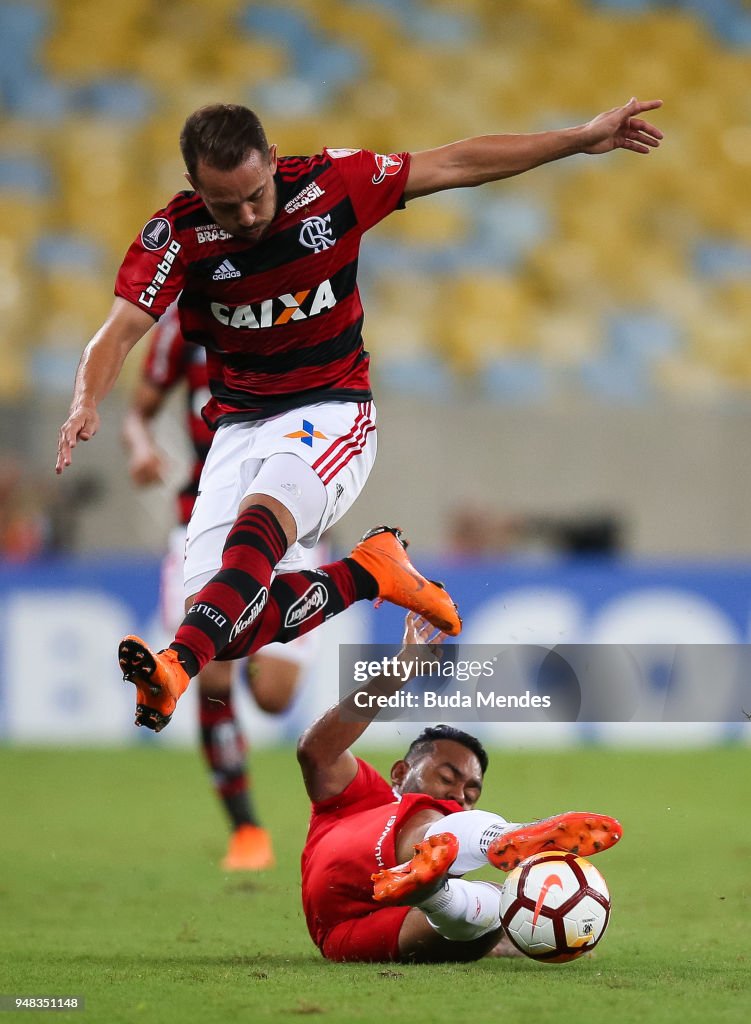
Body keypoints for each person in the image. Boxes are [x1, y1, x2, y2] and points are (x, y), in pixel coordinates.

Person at [55, 98, 663, 732]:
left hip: (332, 408)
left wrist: (577, 138)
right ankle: (369, 570)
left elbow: (455, 162)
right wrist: (86, 398)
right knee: (225, 626)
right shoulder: (177, 234)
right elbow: (118, 332)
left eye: (256, 195)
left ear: (271, 161)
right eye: (224, 205)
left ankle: (175, 666)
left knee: (256, 532)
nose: (247, 216)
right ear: (193, 189)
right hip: (238, 427)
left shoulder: (332, 185)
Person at [122, 302, 326, 870]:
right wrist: (141, 446)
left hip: (285, 518)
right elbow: (139, 413)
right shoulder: (179, 332)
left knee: (274, 695)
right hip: (202, 522)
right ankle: (247, 831)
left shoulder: (295, 309)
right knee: (209, 672)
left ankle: (253, 635)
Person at [297, 613, 622, 963]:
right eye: (447, 777)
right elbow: (315, 751)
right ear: (400, 772)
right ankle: (503, 836)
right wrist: (400, 670)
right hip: (341, 903)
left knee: (503, 903)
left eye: (471, 792)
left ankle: (439, 897)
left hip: (358, 929)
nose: (457, 794)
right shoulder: (362, 795)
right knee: (433, 819)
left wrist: (510, 932)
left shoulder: (448, 851)